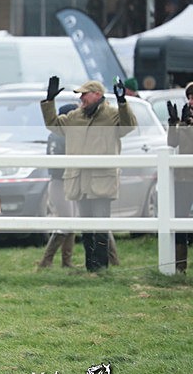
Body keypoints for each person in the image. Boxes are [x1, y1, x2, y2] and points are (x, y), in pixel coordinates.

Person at [41, 78, 136, 272]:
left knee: (100, 228)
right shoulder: (75, 116)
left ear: (97, 95)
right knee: (86, 229)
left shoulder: (112, 115)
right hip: (79, 182)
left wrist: (123, 102)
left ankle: (101, 269)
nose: (82, 98)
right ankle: (90, 267)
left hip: (102, 182)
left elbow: (129, 126)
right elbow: (53, 124)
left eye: (85, 94)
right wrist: (49, 101)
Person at [38, 103, 79, 268]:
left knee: (70, 222)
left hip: (63, 182)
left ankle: (64, 262)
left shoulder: (58, 135)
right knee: (67, 223)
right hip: (60, 183)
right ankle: (47, 261)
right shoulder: (60, 136)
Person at [166, 82, 193, 274]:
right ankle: (180, 266)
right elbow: (172, 143)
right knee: (179, 220)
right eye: (190, 97)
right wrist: (174, 124)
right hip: (184, 178)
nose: (191, 101)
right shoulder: (185, 118)